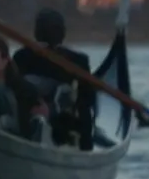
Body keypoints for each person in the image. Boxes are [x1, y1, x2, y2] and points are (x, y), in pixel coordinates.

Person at [12, 8, 95, 146]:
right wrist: (86, 139)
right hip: (55, 118)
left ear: (36, 33)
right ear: (63, 33)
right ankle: (85, 144)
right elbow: (87, 99)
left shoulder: (21, 56)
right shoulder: (78, 60)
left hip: (34, 115)